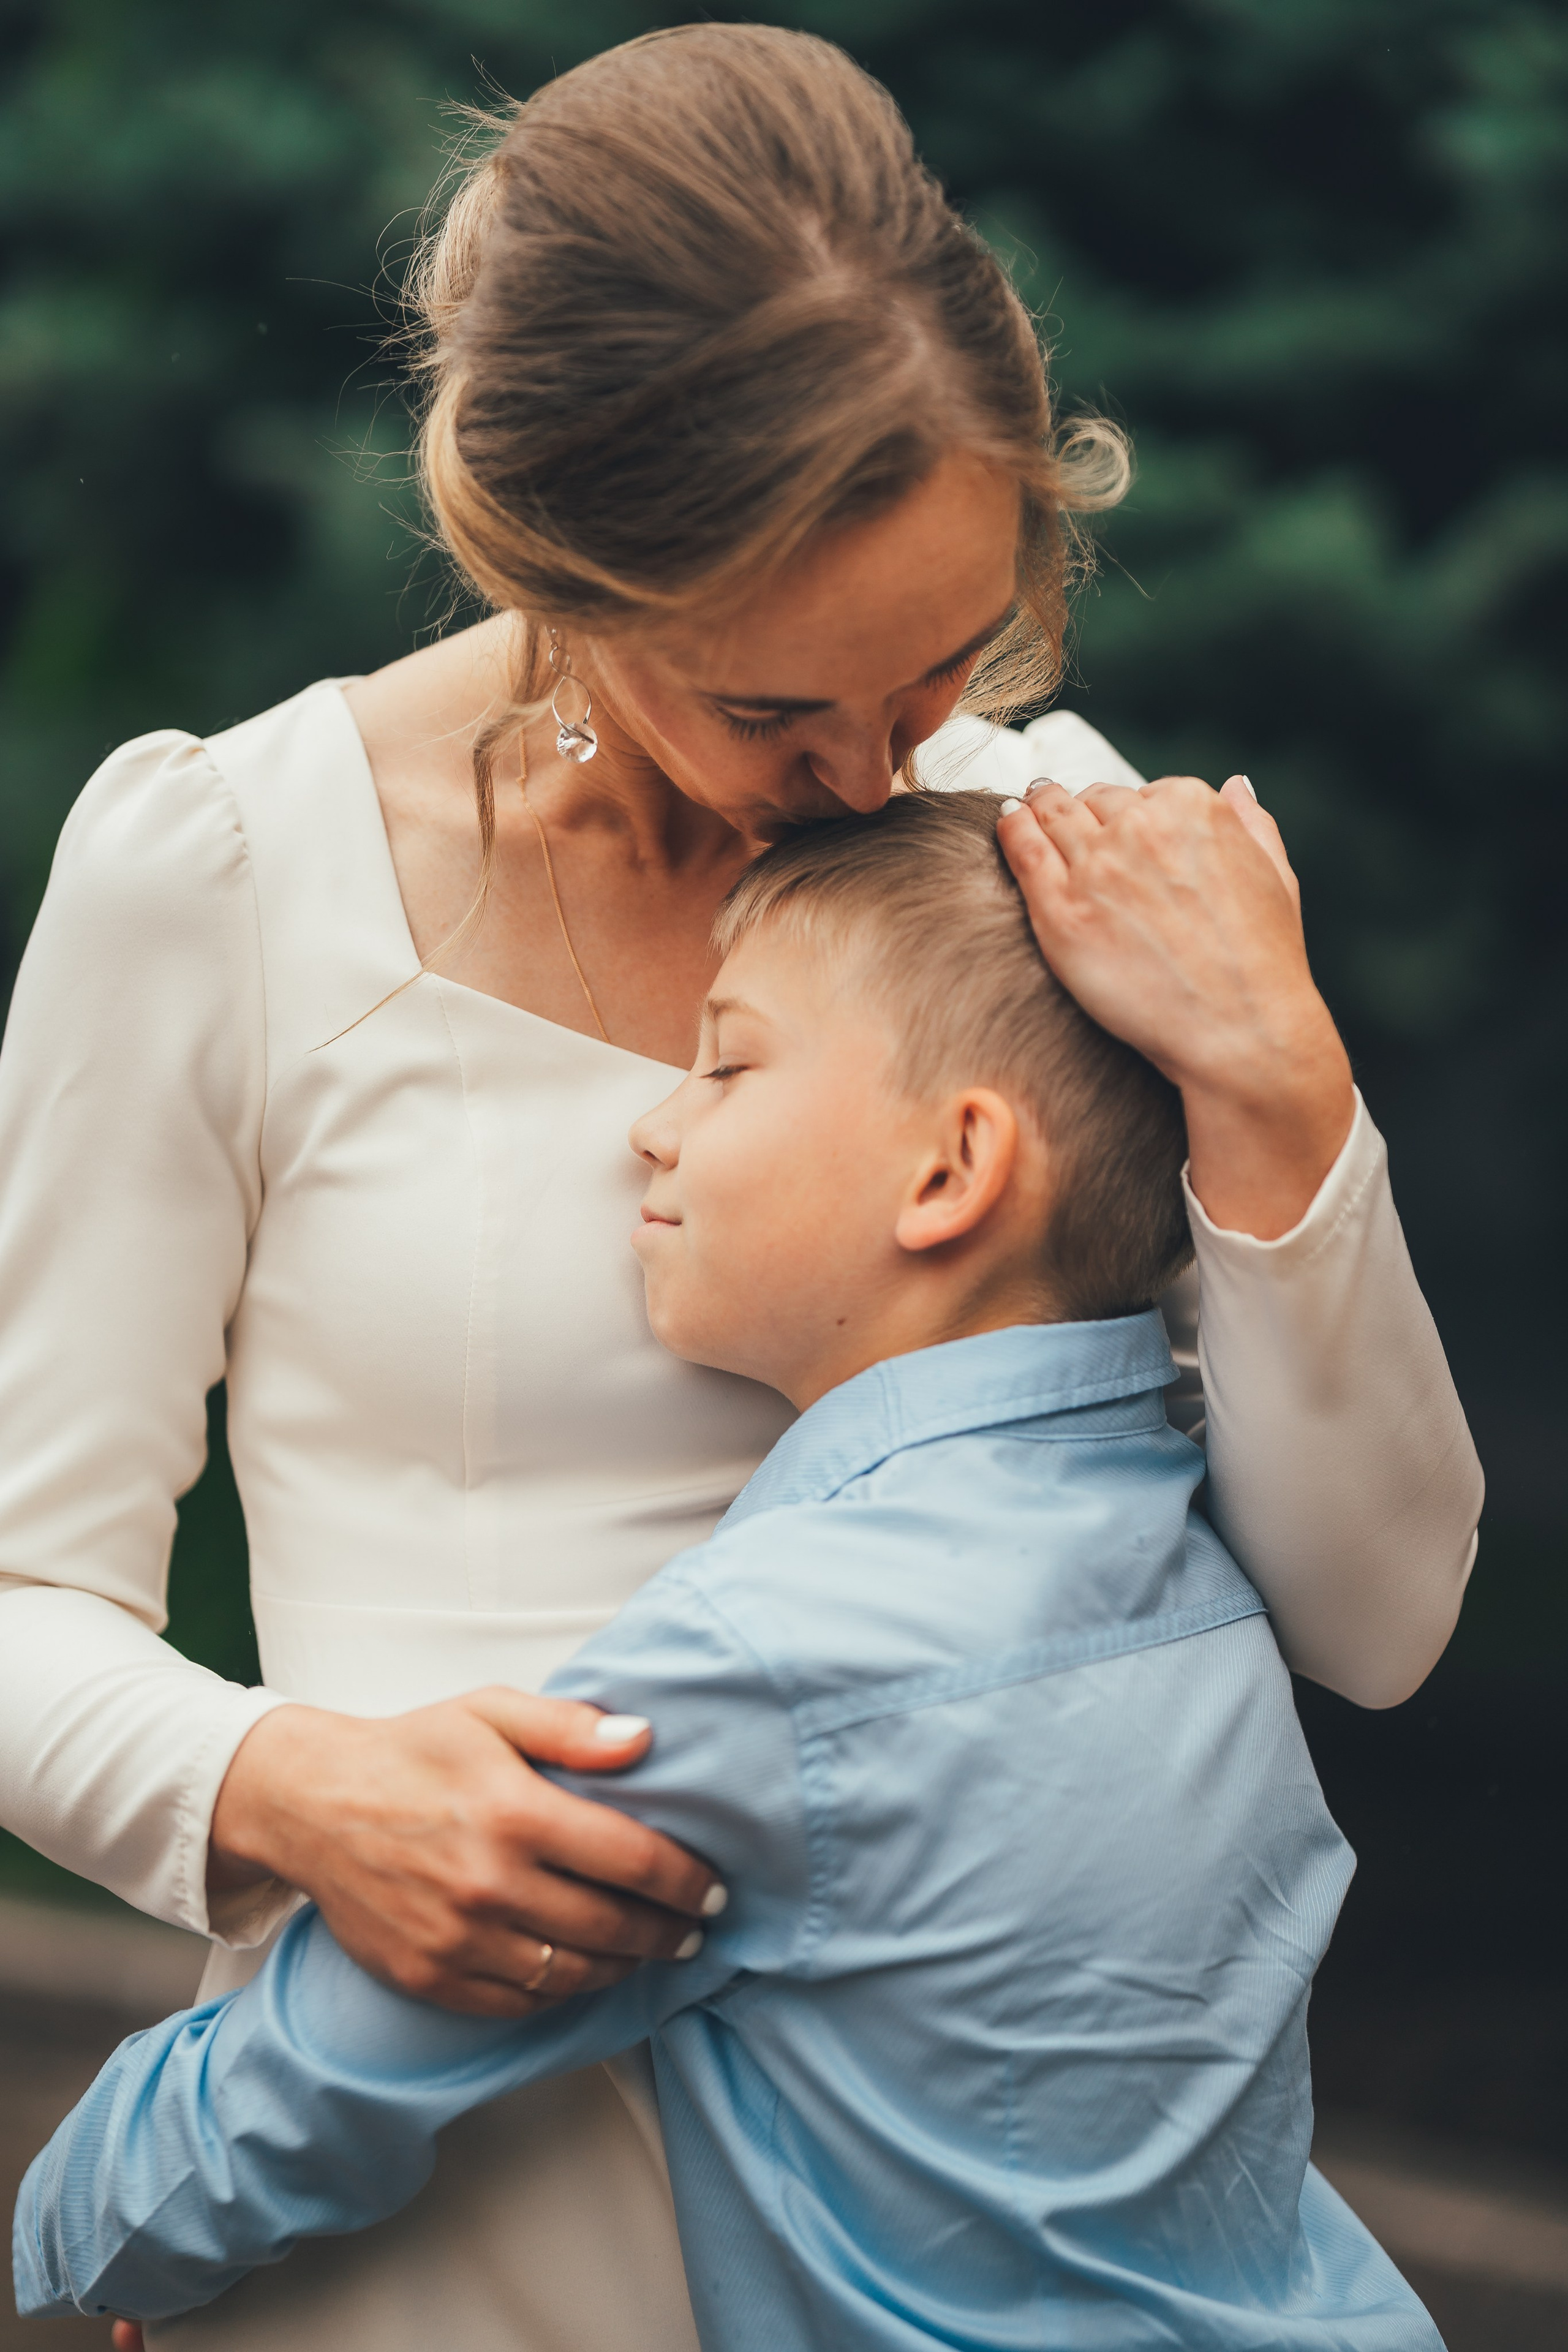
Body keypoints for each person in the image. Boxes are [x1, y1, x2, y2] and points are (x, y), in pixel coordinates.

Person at [0, 24, 1479, 2352]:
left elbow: (1374, 1619)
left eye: (952, 658)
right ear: (572, 571)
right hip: (425, 2215)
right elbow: (15, 1594)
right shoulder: (220, 868)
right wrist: (287, 1786)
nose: (896, 761)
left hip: (975, 2257)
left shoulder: (1038, 861)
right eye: (786, 706)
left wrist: (1277, 1081)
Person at [18, 792, 1442, 2351]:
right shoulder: (1199, 1551)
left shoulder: (758, 1667)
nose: (650, 1118)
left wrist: (91, 2231)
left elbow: (284, 2105)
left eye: (727, 1060)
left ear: (950, 1170)